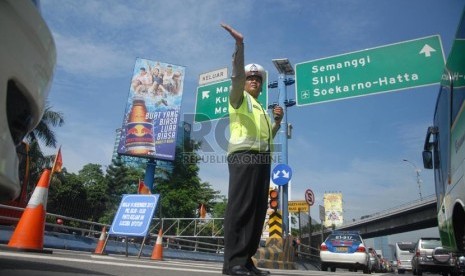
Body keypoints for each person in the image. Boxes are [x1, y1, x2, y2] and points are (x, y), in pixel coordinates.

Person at [221, 23, 283, 276]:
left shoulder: (260, 108)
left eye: (258, 79)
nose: (254, 81)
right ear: (244, 82)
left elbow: (269, 136)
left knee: (258, 211)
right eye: (251, 78)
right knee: (241, 208)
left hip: (262, 160)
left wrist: (277, 121)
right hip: (243, 157)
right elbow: (236, 75)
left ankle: (246, 261)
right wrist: (239, 46)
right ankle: (232, 263)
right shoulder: (238, 98)